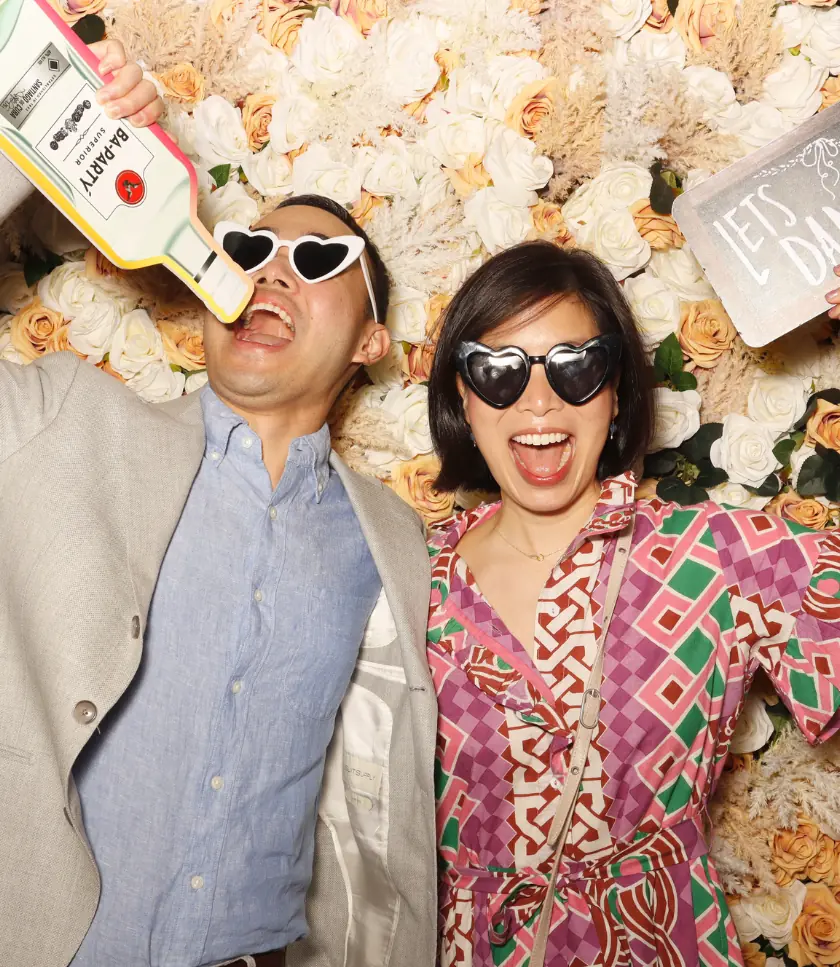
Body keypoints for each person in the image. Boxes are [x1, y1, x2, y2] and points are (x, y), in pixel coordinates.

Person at [0, 68, 437, 967]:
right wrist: (45, 120)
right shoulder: (66, 421)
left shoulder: (396, 544)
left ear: (370, 341)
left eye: (318, 262)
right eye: (248, 250)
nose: (272, 269)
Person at [425, 240, 840, 967]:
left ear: (614, 390)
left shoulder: (715, 555)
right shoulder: (405, 576)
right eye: (498, 371)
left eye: (575, 366)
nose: (539, 400)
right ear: (462, 392)